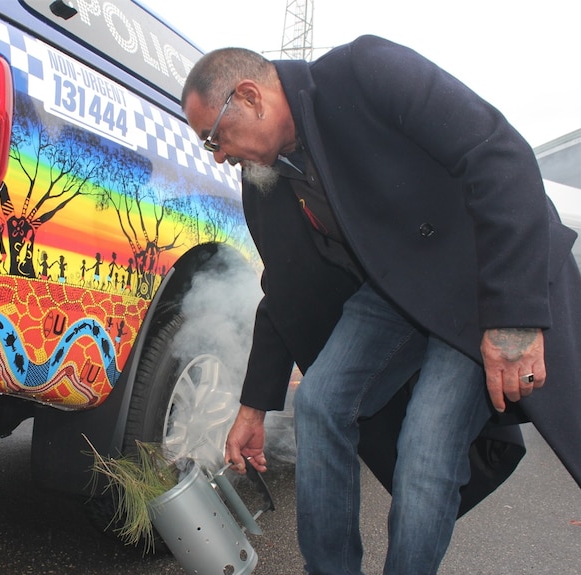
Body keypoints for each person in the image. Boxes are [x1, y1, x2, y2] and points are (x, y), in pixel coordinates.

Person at [181, 35, 581, 575]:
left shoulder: (362, 74)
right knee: (320, 403)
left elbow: (496, 152)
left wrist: (513, 317)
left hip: (476, 276)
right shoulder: (267, 185)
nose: (221, 155)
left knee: (426, 447)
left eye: (214, 137)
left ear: (249, 97)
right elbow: (285, 291)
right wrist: (253, 407)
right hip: (395, 296)